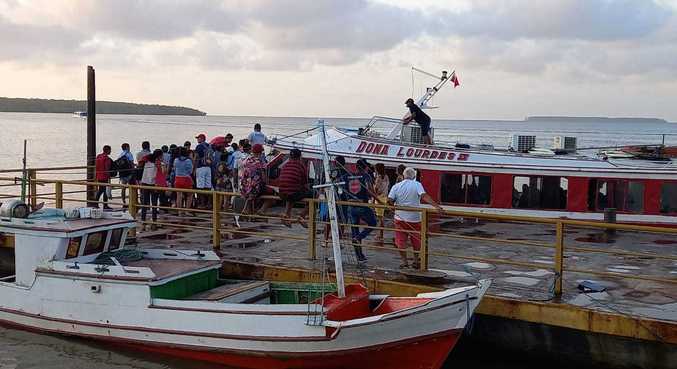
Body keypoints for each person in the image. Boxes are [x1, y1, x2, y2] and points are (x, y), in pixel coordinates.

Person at [387, 167, 442, 269]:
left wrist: (393, 208)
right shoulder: (417, 184)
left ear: (403, 176)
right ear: (414, 176)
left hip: (400, 218)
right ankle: (416, 260)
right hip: (415, 218)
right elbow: (424, 196)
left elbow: (389, 200)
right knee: (416, 240)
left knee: (400, 241)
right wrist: (436, 206)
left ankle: (404, 261)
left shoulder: (396, 186)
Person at [345, 159, 382, 262]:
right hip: (362, 205)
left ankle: (359, 256)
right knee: (373, 223)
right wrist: (380, 201)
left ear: (356, 167)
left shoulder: (348, 176)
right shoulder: (366, 176)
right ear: (365, 167)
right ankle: (359, 237)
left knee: (354, 230)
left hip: (350, 206)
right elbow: (370, 190)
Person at [278, 148, 311, 227]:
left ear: (290, 156)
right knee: (314, 196)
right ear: (300, 157)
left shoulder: (285, 165)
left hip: (282, 193)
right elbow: (305, 183)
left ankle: (286, 215)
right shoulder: (301, 166)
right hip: (293, 193)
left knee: (290, 193)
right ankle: (302, 215)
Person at [240, 144, 274, 219]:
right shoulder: (259, 162)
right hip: (255, 188)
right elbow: (263, 176)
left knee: (251, 193)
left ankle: (248, 214)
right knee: (272, 194)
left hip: (244, 187)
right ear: (260, 152)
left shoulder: (246, 160)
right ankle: (262, 210)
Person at [139, 149, 167, 230]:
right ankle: (154, 220)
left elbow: (141, 162)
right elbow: (162, 174)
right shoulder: (158, 163)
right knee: (154, 203)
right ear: (159, 156)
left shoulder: (147, 160)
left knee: (145, 203)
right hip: (153, 185)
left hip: (144, 183)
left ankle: (143, 220)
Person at [172, 147, 194, 215]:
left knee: (179, 195)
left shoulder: (176, 160)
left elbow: (174, 169)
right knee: (190, 195)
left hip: (177, 178)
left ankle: (179, 211)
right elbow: (190, 171)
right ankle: (187, 211)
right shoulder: (188, 161)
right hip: (186, 179)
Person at [194, 133, 213, 208]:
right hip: (208, 168)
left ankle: (201, 204)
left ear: (202, 139)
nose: (197, 139)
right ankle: (208, 203)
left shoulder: (199, 146)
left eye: (198, 138)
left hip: (200, 167)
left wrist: (194, 168)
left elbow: (196, 157)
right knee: (208, 186)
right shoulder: (209, 146)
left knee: (200, 186)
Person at [372, 163, 390, 242]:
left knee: (380, 218)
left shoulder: (378, 178)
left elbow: (376, 189)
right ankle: (381, 233)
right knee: (381, 217)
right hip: (384, 197)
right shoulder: (386, 177)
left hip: (379, 198)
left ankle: (380, 234)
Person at [95, 145, 113, 210]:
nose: (111, 151)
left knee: (100, 190)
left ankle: (96, 203)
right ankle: (105, 205)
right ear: (107, 150)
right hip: (104, 176)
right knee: (104, 191)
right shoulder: (107, 158)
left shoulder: (98, 156)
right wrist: (109, 176)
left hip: (98, 175)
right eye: (110, 150)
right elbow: (107, 168)